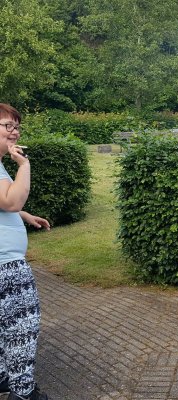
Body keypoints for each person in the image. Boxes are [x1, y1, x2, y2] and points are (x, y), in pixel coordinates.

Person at [0, 103, 50, 400]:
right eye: (8, 126)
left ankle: (2, 377)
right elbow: (10, 201)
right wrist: (24, 166)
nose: (15, 132)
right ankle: (22, 393)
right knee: (21, 327)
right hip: (6, 266)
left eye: (17, 126)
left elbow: (6, 204)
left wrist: (25, 216)